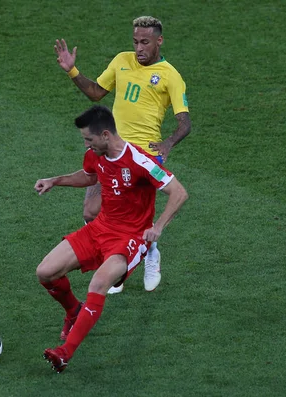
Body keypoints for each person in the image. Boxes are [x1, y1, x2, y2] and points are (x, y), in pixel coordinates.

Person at [35, 105, 188, 373]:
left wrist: (159, 227)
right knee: (45, 272)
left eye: (88, 139)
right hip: (100, 229)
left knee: (99, 282)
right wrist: (55, 180)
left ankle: (65, 353)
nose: (86, 144)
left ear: (105, 135)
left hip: (130, 238)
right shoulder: (96, 154)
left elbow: (179, 193)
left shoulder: (140, 161)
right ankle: (74, 311)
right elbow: (89, 175)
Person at [54, 15, 191, 293]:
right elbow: (95, 93)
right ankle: (115, 259)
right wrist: (72, 70)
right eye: (135, 42)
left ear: (159, 41)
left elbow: (184, 122)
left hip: (144, 156)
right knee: (91, 211)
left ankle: (149, 251)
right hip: (112, 149)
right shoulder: (121, 61)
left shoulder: (171, 76)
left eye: (145, 42)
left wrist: (168, 144)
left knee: (135, 218)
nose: (139, 48)